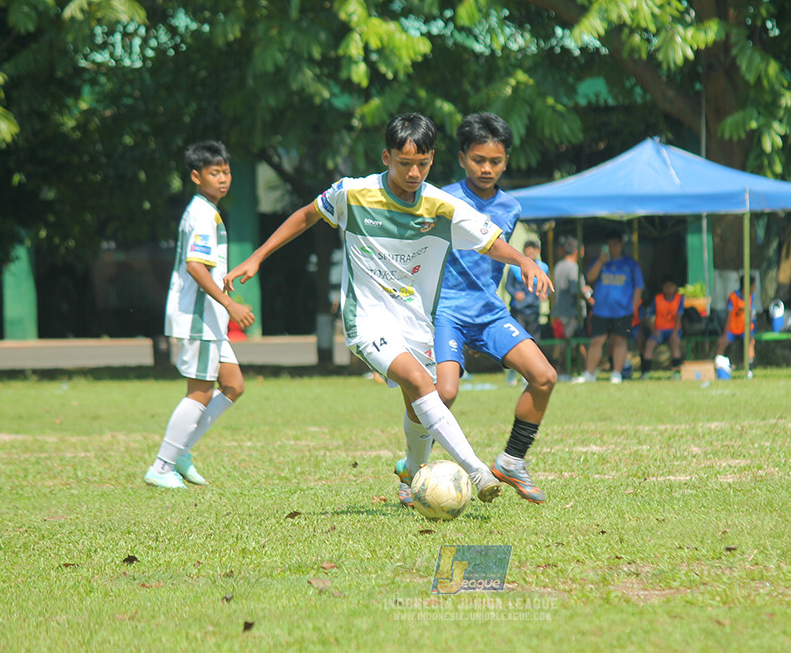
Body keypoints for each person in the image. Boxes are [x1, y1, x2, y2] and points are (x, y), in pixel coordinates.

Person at [224, 113, 552, 504]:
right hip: (366, 319)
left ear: (432, 159)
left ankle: (412, 473)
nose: (414, 173)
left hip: (416, 319)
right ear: (386, 157)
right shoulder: (352, 193)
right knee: (420, 383)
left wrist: (525, 261)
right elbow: (307, 214)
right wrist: (258, 256)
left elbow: (489, 242)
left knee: (422, 396)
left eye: (423, 163)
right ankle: (478, 471)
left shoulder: (442, 206)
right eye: (405, 163)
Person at [413, 113, 558, 506]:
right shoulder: (440, 198)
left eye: (495, 161)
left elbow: (492, 249)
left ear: (506, 161)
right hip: (447, 311)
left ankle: (511, 461)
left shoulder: (511, 207)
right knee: (444, 392)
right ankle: (415, 471)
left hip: (491, 312)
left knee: (544, 376)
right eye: (478, 159)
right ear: (462, 158)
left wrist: (525, 266)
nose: (487, 168)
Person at [145, 141, 256, 489]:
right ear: (196, 176)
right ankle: (162, 466)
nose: (223, 179)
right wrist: (230, 304)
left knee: (234, 386)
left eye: (226, 171)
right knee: (200, 391)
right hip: (199, 316)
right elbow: (195, 267)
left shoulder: (204, 210)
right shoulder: (203, 214)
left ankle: (180, 452)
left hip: (208, 318)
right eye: (214, 172)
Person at [573, 231, 644, 384]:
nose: (613, 248)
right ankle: (589, 374)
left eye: (615, 245)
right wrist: (600, 261)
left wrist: (633, 307)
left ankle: (617, 374)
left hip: (623, 310)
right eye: (609, 245)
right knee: (596, 341)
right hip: (601, 310)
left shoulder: (630, 264)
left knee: (620, 341)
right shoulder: (600, 261)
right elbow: (589, 278)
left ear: (621, 245)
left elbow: (638, 287)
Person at [549, 236, 591, 376]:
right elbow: (576, 291)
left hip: (559, 311)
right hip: (571, 312)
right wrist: (587, 295)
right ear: (578, 251)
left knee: (567, 343)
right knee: (567, 343)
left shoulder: (558, 266)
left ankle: (585, 369)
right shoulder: (573, 267)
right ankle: (566, 372)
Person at [640, 275, 685, 379]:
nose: (668, 289)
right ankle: (646, 372)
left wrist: (674, 334)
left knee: (675, 344)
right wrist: (653, 330)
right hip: (659, 330)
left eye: (671, 286)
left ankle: (676, 373)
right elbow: (648, 316)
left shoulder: (679, 299)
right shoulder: (657, 299)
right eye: (666, 286)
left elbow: (679, 316)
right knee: (650, 344)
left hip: (673, 330)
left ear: (675, 287)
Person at [505, 239, 548, 339]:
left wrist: (545, 294)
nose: (530, 251)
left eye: (533, 249)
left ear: (537, 251)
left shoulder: (543, 268)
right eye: (528, 249)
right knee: (518, 338)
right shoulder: (515, 267)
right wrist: (515, 294)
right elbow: (508, 285)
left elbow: (547, 286)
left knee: (534, 339)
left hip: (534, 309)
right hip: (519, 309)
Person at [714, 277, 756, 364]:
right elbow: (728, 316)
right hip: (732, 330)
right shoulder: (733, 297)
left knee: (750, 342)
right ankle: (718, 367)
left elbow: (750, 314)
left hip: (744, 329)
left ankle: (749, 369)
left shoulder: (751, 297)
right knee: (722, 343)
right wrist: (725, 334)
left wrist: (750, 332)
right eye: (753, 286)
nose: (754, 288)